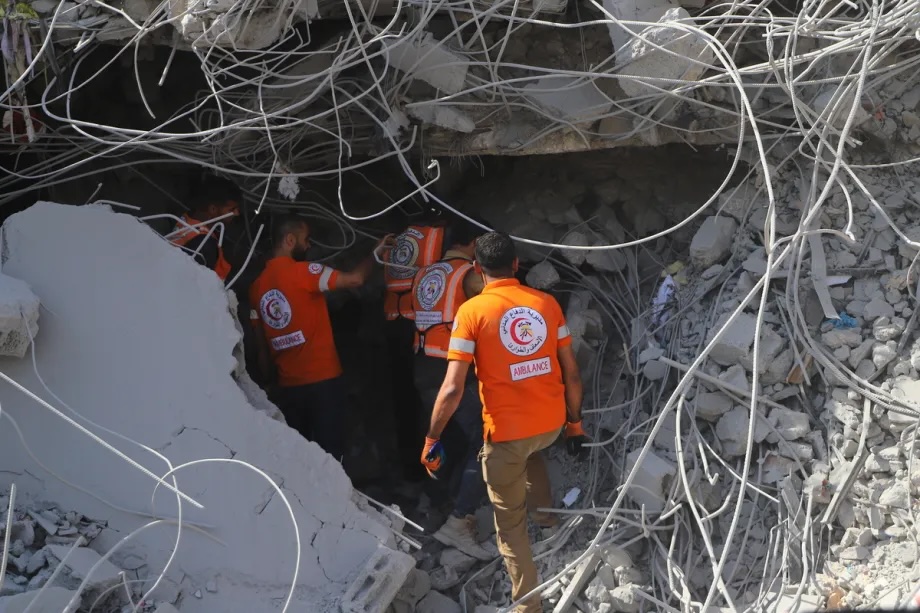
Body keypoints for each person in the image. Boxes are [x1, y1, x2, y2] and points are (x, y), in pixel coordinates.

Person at [420, 232, 590, 613]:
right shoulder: (546, 304)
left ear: (477, 269)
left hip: (507, 434)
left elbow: (452, 389)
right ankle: (545, 516)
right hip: (550, 424)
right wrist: (575, 424)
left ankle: (528, 606)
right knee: (531, 451)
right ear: (515, 265)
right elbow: (572, 374)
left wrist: (432, 438)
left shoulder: (471, 312)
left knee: (510, 530)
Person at [249, 215, 390, 460]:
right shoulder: (305, 272)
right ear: (290, 240)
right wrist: (375, 254)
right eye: (306, 239)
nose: (309, 245)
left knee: (299, 459)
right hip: (323, 382)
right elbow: (355, 279)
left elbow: (262, 348)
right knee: (331, 457)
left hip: (287, 388)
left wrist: (270, 385)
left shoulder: (256, 287)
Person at [410, 219, 488, 559]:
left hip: (422, 364)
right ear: (474, 244)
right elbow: (494, 302)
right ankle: (460, 519)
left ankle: (436, 503)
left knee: (449, 439)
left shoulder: (424, 273)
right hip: (452, 371)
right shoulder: (466, 274)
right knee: (488, 439)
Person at [382, 221, 447, 481]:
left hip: (394, 324)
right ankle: (431, 471)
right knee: (429, 405)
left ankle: (411, 469)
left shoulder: (395, 235)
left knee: (404, 402)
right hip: (420, 328)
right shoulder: (437, 235)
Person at [170, 175, 241, 281]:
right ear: (213, 209)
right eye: (232, 209)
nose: (237, 213)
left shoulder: (187, 219)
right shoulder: (204, 244)